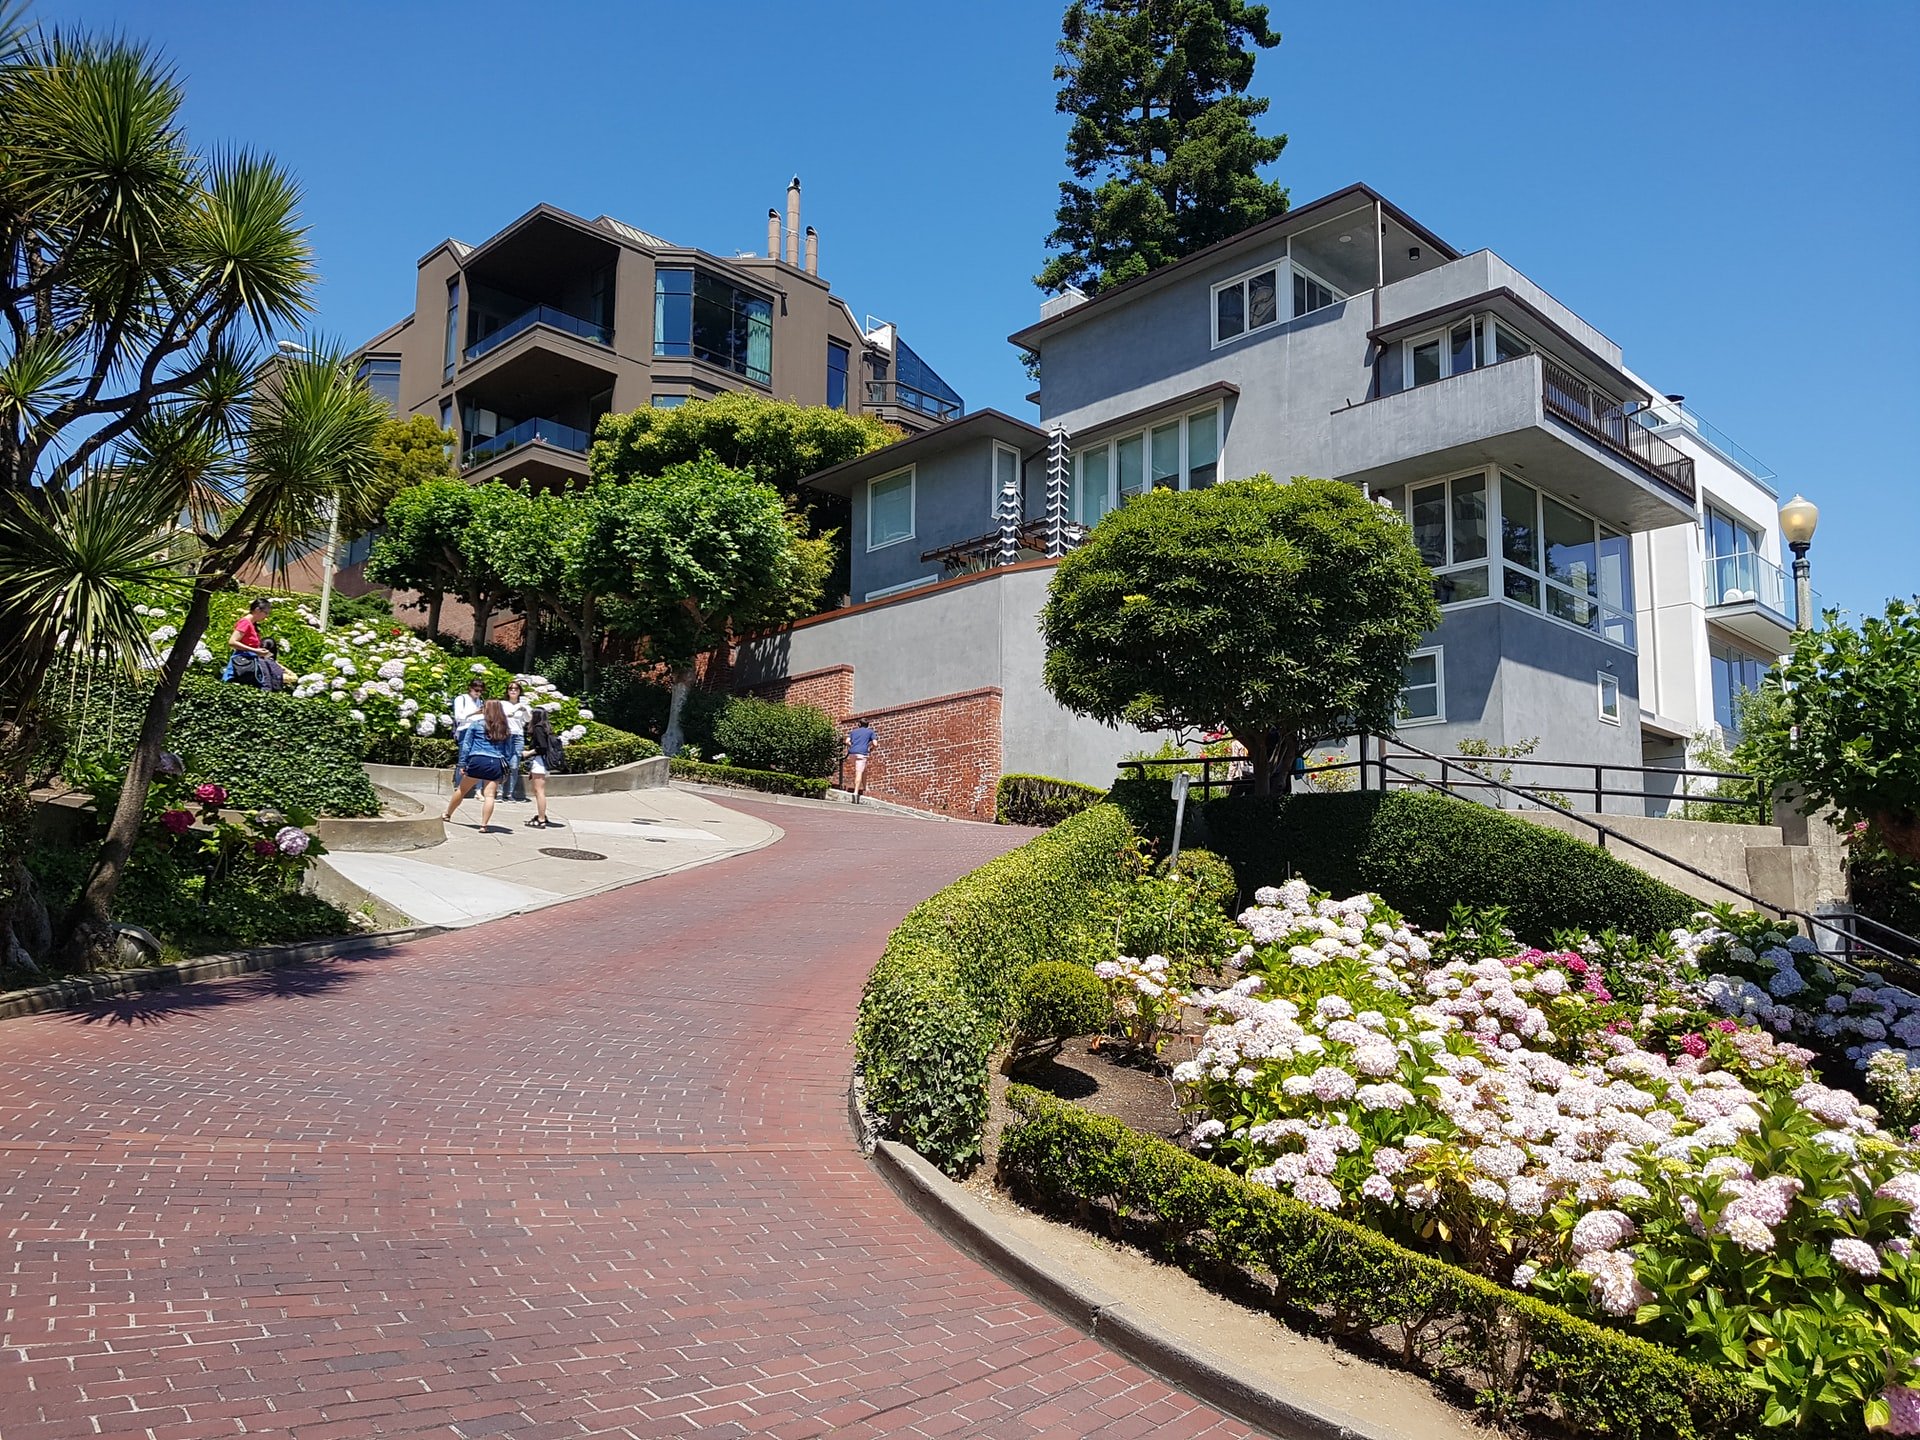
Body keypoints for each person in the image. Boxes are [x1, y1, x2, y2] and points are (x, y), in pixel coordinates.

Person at [443, 700, 511, 831]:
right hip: (496, 762)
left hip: (478, 760)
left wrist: (462, 763)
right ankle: (484, 825)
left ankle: (447, 814)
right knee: (490, 795)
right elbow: (508, 751)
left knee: (462, 790)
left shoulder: (476, 725)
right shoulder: (505, 728)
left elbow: (466, 746)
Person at [225, 598, 284, 690]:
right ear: (257, 610)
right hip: (242, 662)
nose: (266, 616)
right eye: (266, 613)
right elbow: (232, 642)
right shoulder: (245, 623)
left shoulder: (252, 624)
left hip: (251, 660)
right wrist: (255, 650)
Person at [524, 707, 568, 830]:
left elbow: (542, 747)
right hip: (542, 762)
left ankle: (541, 819)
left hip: (539, 762)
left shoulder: (538, 728)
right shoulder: (546, 727)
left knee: (539, 791)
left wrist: (528, 753)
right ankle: (541, 815)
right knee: (538, 790)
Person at [499, 680, 532, 802]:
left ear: (519, 691)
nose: (513, 690)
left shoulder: (523, 705)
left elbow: (528, 719)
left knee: (514, 765)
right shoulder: (503, 704)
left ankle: (509, 794)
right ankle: (499, 792)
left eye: (516, 689)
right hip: (506, 735)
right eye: (510, 688)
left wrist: (525, 709)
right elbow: (507, 715)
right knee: (503, 764)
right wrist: (517, 707)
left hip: (518, 735)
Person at [452, 678, 487, 781]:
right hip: (465, 730)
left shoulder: (480, 701)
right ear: (470, 688)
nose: (479, 693)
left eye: (481, 691)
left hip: (478, 731)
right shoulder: (461, 699)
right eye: (476, 690)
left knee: (476, 759)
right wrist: (474, 713)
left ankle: (476, 789)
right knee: (463, 758)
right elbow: (459, 717)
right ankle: (458, 786)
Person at [844, 716, 877, 803]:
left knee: (864, 769)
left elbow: (847, 741)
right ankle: (855, 792)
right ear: (868, 725)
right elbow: (875, 743)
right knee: (859, 772)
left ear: (859, 724)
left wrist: (851, 746)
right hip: (862, 754)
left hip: (852, 753)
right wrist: (871, 749)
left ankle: (865, 787)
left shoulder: (853, 732)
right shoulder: (870, 732)